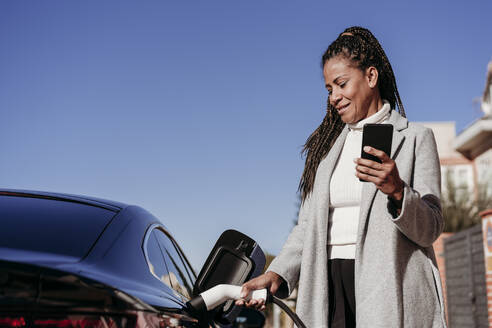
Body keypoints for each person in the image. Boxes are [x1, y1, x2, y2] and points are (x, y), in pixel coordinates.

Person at [235, 26, 446, 328]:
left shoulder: (415, 139)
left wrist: (397, 191)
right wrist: (276, 273)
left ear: (371, 77)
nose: (334, 96)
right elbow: (307, 227)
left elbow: (431, 228)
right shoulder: (327, 152)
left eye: (341, 84)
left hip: (390, 293)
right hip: (329, 289)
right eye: (329, 89)